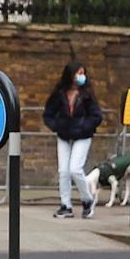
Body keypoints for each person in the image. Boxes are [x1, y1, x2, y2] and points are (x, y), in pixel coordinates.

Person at [42, 60, 103, 218]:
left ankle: (87, 199)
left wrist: (84, 127)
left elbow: (96, 116)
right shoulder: (59, 93)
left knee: (75, 169)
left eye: (83, 73)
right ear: (71, 75)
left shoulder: (87, 95)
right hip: (64, 134)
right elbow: (48, 113)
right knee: (63, 171)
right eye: (79, 73)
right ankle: (66, 205)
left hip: (82, 135)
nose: (82, 77)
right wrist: (56, 126)